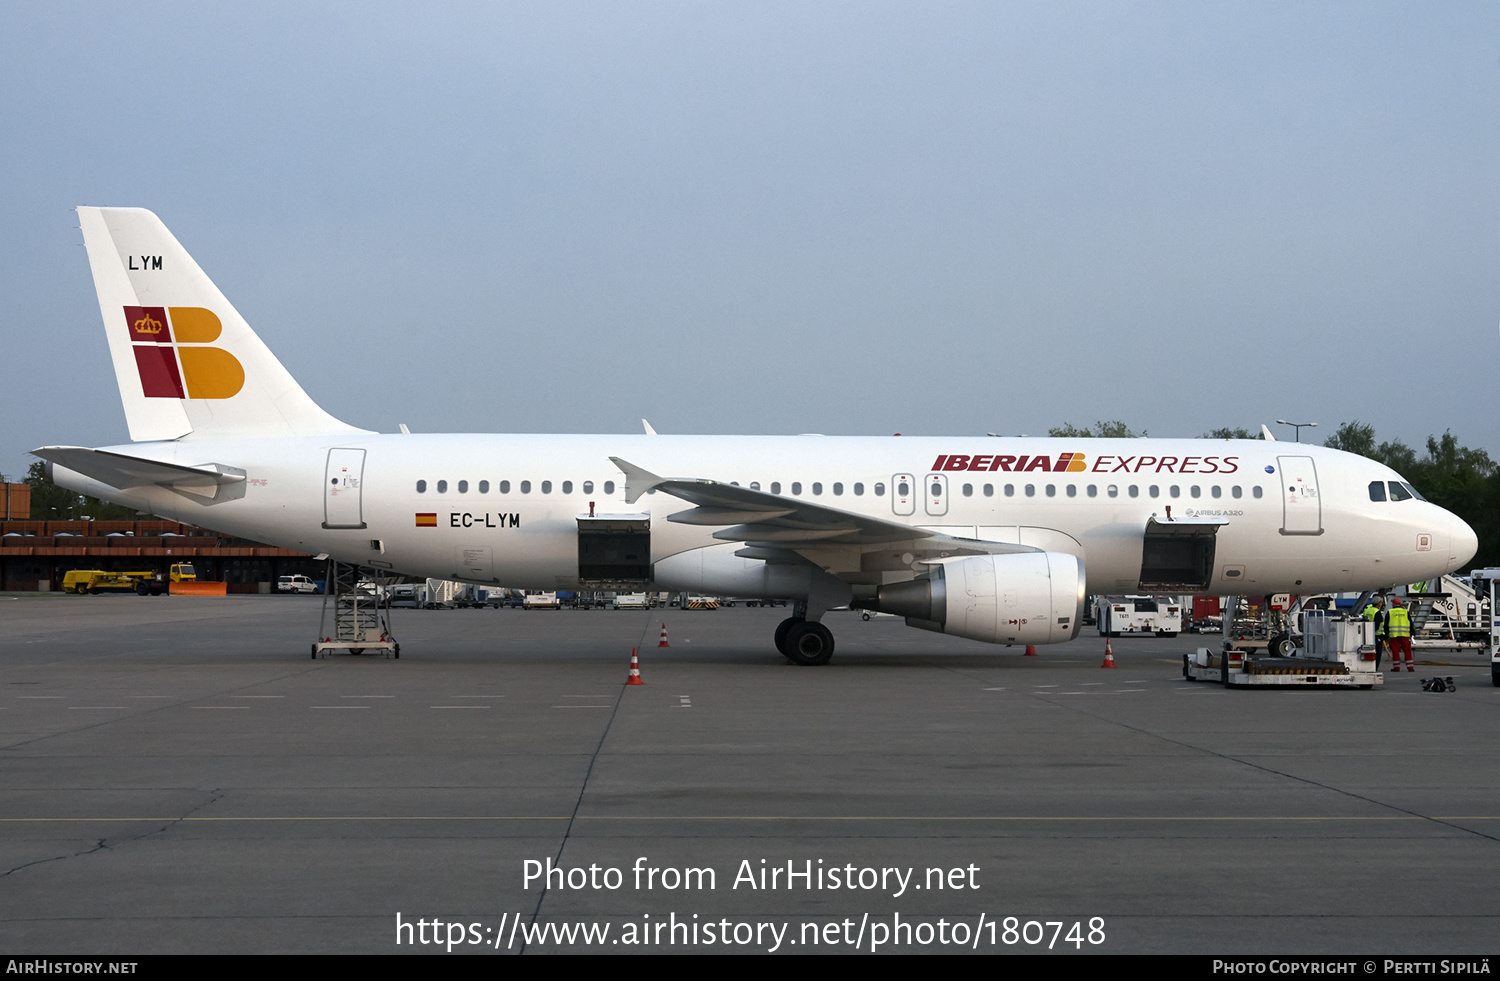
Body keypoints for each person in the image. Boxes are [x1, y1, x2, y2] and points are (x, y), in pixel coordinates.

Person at [1385, 597, 1413, 672]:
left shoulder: (1390, 612)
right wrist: (1412, 633)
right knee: (1407, 651)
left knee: (1395, 651)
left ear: (1393, 604)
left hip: (1394, 635)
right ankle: (1410, 667)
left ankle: (1396, 667)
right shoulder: (1405, 612)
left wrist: (1386, 635)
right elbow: (1410, 623)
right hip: (1405, 635)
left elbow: (1386, 625)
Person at [1363, 597, 1387, 671]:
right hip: (1377, 636)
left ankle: (1367, 668)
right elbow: (1377, 625)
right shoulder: (1377, 612)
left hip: (1367, 634)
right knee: (1377, 654)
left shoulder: (1367, 610)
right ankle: (1374, 669)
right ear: (1379, 603)